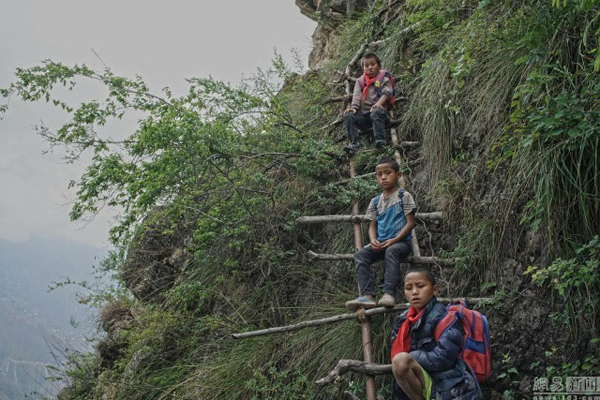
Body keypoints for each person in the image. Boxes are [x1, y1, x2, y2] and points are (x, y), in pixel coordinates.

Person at [389, 267, 482, 400]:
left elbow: (444, 358)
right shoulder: (403, 321)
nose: (414, 292)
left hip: (448, 386)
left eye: (420, 286)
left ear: (435, 290)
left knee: (401, 361)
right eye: (409, 288)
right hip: (422, 384)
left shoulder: (446, 318)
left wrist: (411, 357)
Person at [346, 157, 415, 311]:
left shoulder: (404, 196)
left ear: (398, 175)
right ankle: (368, 296)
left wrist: (393, 240)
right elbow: (372, 226)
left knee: (391, 250)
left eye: (388, 173)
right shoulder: (375, 201)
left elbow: (410, 223)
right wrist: (374, 240)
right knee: (360, 255)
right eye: (379, 174)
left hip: (400, 243)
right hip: (381, 243)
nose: (383, 177)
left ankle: (388, 294)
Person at [343, 52, 393, 153]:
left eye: (373, 64)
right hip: (365, 116)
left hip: (380, 114)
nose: (370, 67)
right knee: (348, 116)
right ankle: (355, 143)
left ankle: (380, 140)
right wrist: (354, 108)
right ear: (363, 69)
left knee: (376, 112)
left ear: (378, 66)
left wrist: (378, 104)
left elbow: (387, 93)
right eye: (366, 66)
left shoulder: (384, 79)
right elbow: (357, 96)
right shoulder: (360, 81)